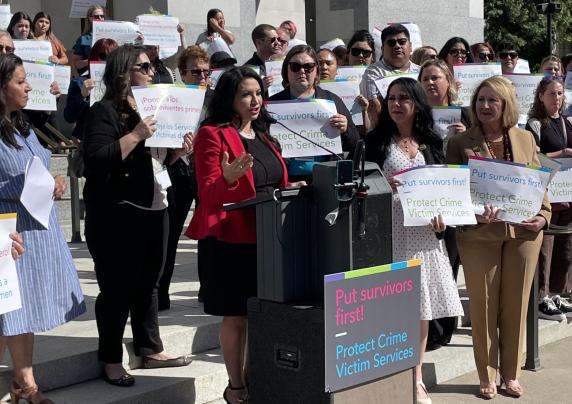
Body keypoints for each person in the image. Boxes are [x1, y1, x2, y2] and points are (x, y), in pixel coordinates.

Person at [186, 66, 301, 404]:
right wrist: (230, 178)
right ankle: (236, 386)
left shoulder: (265, 133)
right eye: (246, 94)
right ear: (230, 99)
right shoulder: (212, 134)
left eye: (258, 94)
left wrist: (294, 188)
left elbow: (274, 181)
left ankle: (255, 378)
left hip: (268, 237)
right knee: (236, 315)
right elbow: (208, 194)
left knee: (260, 315)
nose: (255, 101)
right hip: (230, 240)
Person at [83, 44, 192, 387]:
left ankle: (149, 346)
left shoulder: (153, 107)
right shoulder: (104, 112)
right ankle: (111, 358)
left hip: (154, 205)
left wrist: (179, 151)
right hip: (118, 213)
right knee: (117, 288)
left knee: (149, 283)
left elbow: (155, 163)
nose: (151, 72)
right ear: (123, 73)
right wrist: (136, 134)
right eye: (144, 66)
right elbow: (98, 159)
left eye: (152, 66)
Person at [447, 76, 551, 399]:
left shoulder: (525, 139)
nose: (485, 106)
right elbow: (451, 192)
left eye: (493, 100)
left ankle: (511, 374)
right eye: (480, 100)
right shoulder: (459, 143)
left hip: (523, 233)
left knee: (516, 304)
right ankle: (486, 375)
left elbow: (539, 184)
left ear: (506, 104)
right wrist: (471, 214)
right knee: (483, 305)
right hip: (478, 233)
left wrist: (543, 216)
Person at [365, 77, 464, 404]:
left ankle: (416, 377)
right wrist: (383, 186)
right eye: (391, 98)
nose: (395, 104)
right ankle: (389, 373)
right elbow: (360, 188)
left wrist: (441, 221)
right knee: (391, 308)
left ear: (417, 104)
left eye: (404, 98)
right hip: (389, 232)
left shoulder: (432, 143)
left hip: (423, 235)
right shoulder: (376, 142)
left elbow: (443, 191)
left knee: (420, 310)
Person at [0, 53, 86, 404]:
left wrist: (54, 183)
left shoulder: (21, 123)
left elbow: (35, 167)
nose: (28, 87)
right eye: (20, 81)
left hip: (34, 225)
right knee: (4, 308)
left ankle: (26, 381)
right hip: (7, 227)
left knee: (23, 308)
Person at [157, 44, 212, 310]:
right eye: (195, 72)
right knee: (170, 233)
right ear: (181, 73)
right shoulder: (169, 98)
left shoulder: (214, 101)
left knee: (208, 233)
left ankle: (208, 289)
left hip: (205, 171)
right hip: (177, 169)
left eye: (206, 72)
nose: (202, 77)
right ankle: (161, 292)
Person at [269, 45, 359, 179]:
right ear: (286, 71)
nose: (302, 71)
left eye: (308, 67)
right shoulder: (272, 104)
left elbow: (355, 143)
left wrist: (345, 130)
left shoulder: (331, 100)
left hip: (327, 178)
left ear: (316, 70)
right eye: (295, 66)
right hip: (286, 180)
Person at [526, 77, 572, 319]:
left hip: (568, 194)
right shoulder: (535, 124)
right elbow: (532, 155)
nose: (557, 99)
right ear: (541, 96)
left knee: (566, 246)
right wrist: (562, 153)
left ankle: (557, 292)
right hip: (547, 193)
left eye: (560, 94)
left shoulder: (566, 122)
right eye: (552, 94)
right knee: (547, 246)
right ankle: (541, 296)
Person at [362, 24, 420, 128]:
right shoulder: (373, 73)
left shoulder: (421, 72)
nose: (397, 46)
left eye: (402, 42)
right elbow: (375, 109)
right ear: (383, 49)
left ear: (410, 46)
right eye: (391, 43)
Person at [64, 38, 118, 141]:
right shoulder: (80, 82)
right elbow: (69, 117)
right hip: (89, 141)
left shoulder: (122, 83)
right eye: (103, 56)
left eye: (112, 57)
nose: (107, 61)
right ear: (94, 57)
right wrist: (82, 96)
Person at [244, 24, 282, 89]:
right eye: (273, 40)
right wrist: (260, 87)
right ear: (259, 42)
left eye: (278, 39)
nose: (278, 43)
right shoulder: (248, 69)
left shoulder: (280, 65)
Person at [71, 5, 105, 75]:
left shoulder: (110, 36)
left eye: (102, 16)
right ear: (90, 18)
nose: (100, 18)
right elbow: (76, 64)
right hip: (90, 76)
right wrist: (90, 60)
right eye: (96, 16)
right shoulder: (83, 39)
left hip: (108, 76)